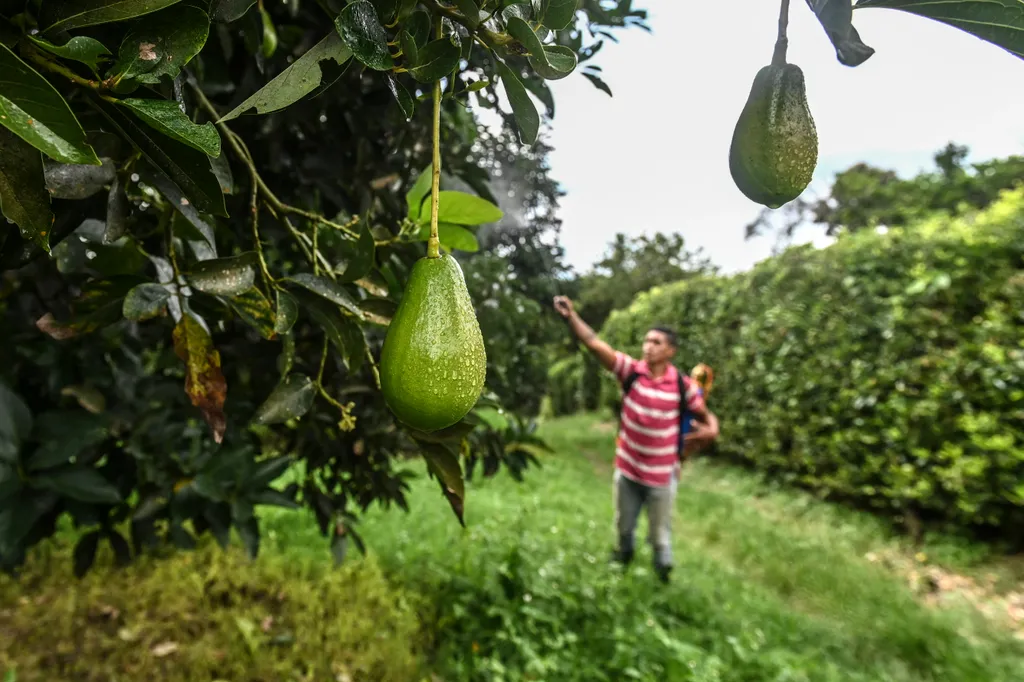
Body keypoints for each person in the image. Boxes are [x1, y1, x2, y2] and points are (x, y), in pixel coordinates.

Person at [552, 295, 720, 583]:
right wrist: (571, 317)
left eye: (656, 342)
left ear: (671, 351)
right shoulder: (630, 372)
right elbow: (594, 343)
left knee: (660, 533)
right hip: (628, 470)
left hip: (662, 477)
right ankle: (622, 563)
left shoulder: (683, 386)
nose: (648, 347)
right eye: (646, 341)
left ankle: (661, 574)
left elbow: (707, 416)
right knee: (624, 526)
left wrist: (713, 429)